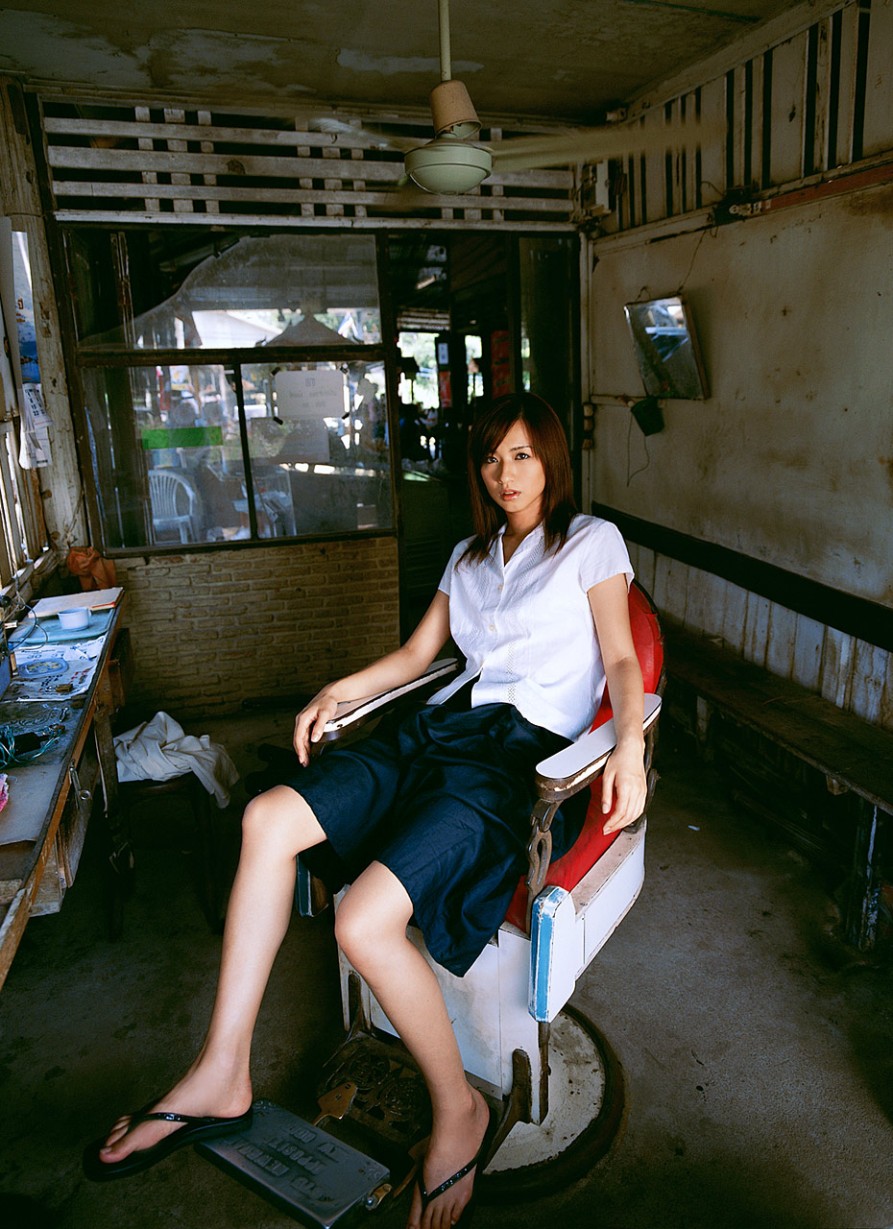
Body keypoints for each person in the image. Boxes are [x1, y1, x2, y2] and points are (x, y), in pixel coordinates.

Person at [83, 392, 648, 1229]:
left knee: (361, 922)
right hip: (438, 732)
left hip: (513, 763)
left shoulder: (590, 542)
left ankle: (459, 1108)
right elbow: (419, 655)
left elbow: (621, 660)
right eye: (490, 457)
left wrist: (628, 743)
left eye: (522, 455)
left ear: (551, 460)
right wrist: (336, 692)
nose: (504, 473)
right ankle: (220, 1071)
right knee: (266, 818)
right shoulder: (468, 555)